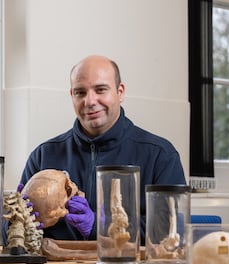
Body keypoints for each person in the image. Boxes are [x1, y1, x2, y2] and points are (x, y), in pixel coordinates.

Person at [20, 55, 186, 244]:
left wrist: (100, 225)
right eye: (80, 92)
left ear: (120, 92)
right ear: (72, 96)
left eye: (100, 90)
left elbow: (171, 232)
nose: (90, 101)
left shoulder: (160, 156)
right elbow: (13, 239)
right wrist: (16, 220)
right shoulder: (43, 156)